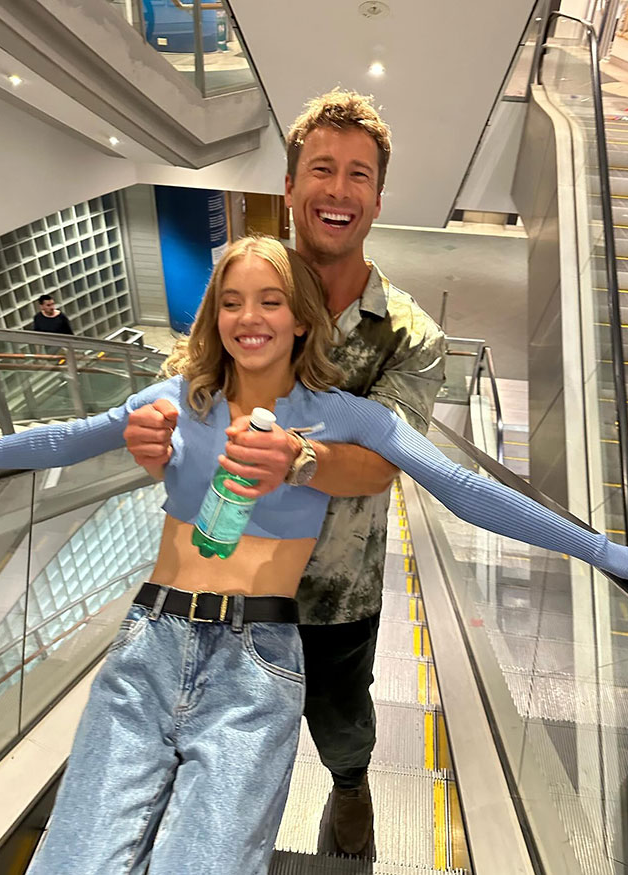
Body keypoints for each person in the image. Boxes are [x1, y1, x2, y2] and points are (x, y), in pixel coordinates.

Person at [0, 238, 628, 875]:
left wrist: (607, 553)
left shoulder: (340, 414)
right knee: (71, 860)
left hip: (254, 662)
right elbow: (59, 440)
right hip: (147, 646)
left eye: (269, 300)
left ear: (300, 318)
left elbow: (463, 488)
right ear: (214, 317)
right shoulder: (176, 400)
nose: (248, 317)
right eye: (231, 302)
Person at [124, 89, 445, 854]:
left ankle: (350, 783)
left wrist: (298, 459)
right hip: (225, 576)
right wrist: (161, 431)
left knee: (341, 716)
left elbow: (381, 466)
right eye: (322, 169)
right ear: (292, 184)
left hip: (337, 592)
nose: (340, 189)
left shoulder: (409, 335)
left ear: (378, 197)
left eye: (359, 175)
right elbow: (195, 386)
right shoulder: (245, 289)